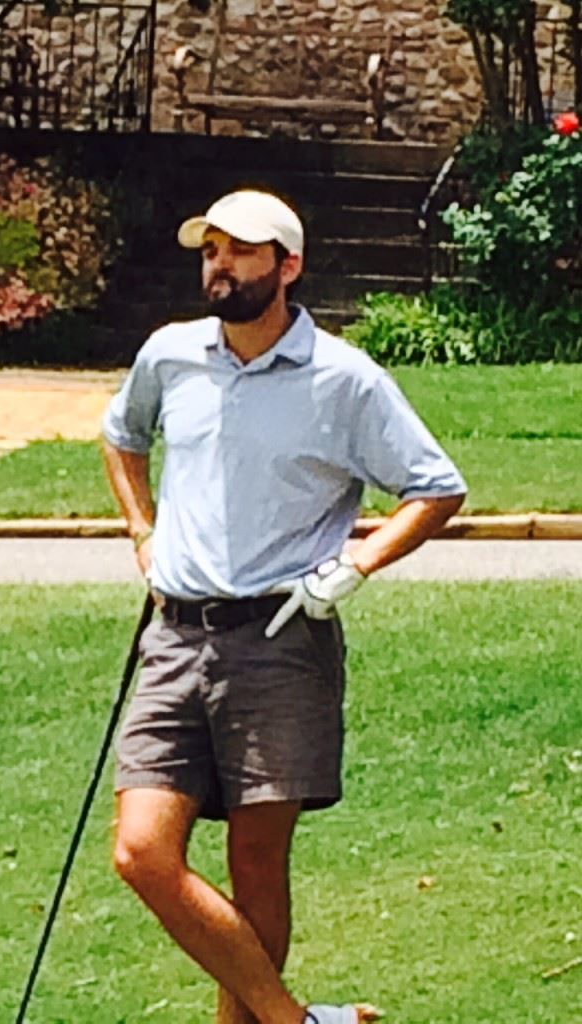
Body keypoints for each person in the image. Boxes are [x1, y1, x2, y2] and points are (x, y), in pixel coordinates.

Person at [101, 189, 466, 1024]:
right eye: (211, 250)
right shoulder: (171, 354)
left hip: (281, 640)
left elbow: (435, 487)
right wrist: (142, 532)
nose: (219, 266)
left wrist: (361, 562)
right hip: (176, 636)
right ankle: (295, 1022)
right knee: (141, 852)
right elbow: (121, 435)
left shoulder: (344, 380)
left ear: (288, 266)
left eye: (241, 251)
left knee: (256, 865)